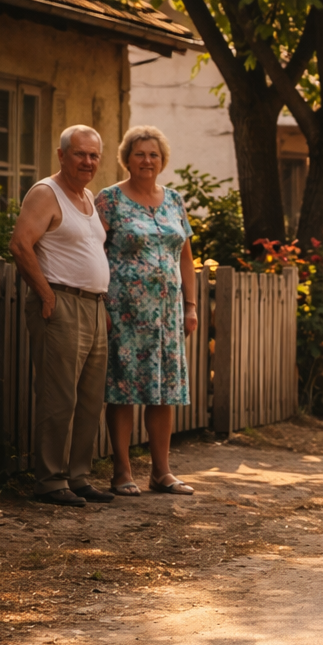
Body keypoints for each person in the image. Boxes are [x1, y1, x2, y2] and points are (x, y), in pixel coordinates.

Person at [9, 125, 114, 507]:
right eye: (80, 154)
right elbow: (20, 244)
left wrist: (98, 303)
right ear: (62, 155)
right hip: (61, 304)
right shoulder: (45, 193)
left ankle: (78, 477)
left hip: (93, 305)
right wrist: (46, 295)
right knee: (59, 397)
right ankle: (51, 481)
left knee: (89, 398)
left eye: (93, 156)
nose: (87, 162)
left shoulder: (87, 197)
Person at [95, 126, 198, 496]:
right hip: (123, 311)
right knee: (121, 390)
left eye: (153, 154)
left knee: (164, 391)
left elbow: (185, 257)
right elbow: (94, 253)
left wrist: (190, 305)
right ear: (127, 158)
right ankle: (122, 472)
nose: (147, 160)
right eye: (139, 153)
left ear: (162, 160)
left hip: (167, 316)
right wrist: (101, 303)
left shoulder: (174, 201)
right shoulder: (109, 200)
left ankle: (161, 473)